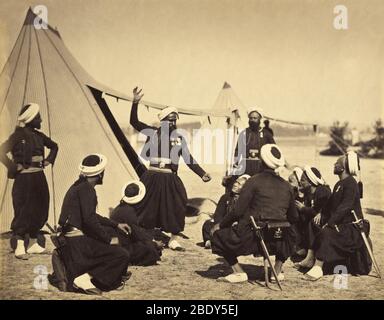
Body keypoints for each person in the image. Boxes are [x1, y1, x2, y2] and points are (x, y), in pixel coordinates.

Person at [129, 87, 211, 251]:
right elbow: (134, 122)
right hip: (151, 175)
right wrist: (135, 102)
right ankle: (148, 237)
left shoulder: (179, 137)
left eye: (174, 120)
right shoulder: (152, 133)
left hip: (169, 177)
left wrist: (202, 173)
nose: (172, 123)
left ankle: (173, 238)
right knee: (146, 206)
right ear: (162, 121)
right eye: (169, 120)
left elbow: (187, 158)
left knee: (178, 202)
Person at [211, 144, 298, 283]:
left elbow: (238, 211)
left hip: (253, 237)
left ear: (260, 162)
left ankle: (239, 272)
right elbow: (294, 217)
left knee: (217, 235)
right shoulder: (287, 186)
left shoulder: (253, 181)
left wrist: (220, 225)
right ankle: (276, 270)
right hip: (279, 239)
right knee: (291, 233)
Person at [57, 154, 131, 295]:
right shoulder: (87, 190)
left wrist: (115, 225)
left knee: (110, 235)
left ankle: (115, 274)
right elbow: (90, 220)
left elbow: (91, 216)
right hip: (77, 241)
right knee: (122, 254)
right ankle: (85, 279)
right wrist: (108, 240)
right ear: (100, 174)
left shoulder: (78, 186)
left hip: (70, 237)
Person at [0, 103, 58, 259]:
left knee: (41, 207)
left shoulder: (39, 136)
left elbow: (54, 146)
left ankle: (32, 244)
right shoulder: (18, 136)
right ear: (31, 119)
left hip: (39, 177)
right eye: (38, 117)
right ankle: (20, 246)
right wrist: (13, 166)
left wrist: (49, 160)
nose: (41, 120)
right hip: (24, 179)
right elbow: (1, 150)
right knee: (24, 209)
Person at [303, 151, 371, 281]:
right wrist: (321, 213)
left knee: (326, 232)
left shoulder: (351, 184)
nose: (334, 165)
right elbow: (330, 203)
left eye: (337, 163)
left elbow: (345, 207)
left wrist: (330, 223)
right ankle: (310, 257)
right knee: (314, 222)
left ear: (342, 168)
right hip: (341, 225)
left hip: (352, 229)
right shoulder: (339, 184)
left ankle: (318, 267)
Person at [109, 181, 162, 266]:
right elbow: (137, 234)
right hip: (122, 247)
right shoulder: (128, 212)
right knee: (149, 247)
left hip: (117, 243)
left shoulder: (121, 208)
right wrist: (154, 243)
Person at [223, 107, 275, 191]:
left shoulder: (266, 134)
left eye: (255, 118)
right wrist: (234, 164)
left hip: (261, 167)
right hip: (246, 167)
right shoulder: (244, 133)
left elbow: (273, 150)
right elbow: (237, 151)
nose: (252, 120)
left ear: (260, 119)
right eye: (251, 118)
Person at [294, 166, 331, 268]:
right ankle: (304, 248)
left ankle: (310, 257)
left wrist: (303, 209)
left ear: (310, 182)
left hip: (327, 219)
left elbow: (326, 208)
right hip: (316, 217)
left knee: (311, 222)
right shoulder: (308, 192)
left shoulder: (323, 191)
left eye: (303, 180)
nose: (300, 182)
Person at [202, 174, 250, 249]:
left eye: (239, 184)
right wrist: (220, 224)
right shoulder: (225, 197)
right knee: (208, 224)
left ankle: (216, 241)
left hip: (238, 227)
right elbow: (218, 215)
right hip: (224, 224)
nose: (235, 184)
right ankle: (211, 240)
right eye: (236, 182)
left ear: (245, 188)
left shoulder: (248, 200)